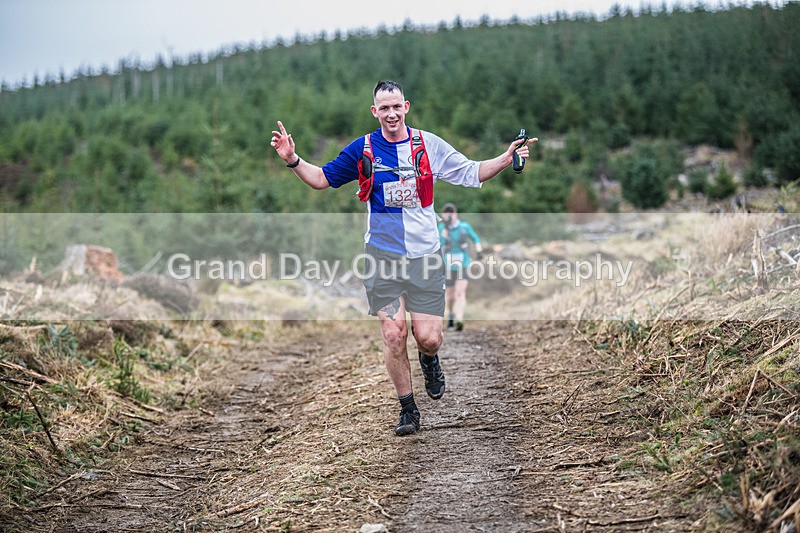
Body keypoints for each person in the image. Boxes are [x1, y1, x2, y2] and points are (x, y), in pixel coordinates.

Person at [270, 80, 537, 436]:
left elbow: (471, 171)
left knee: (427, 336)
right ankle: (408, 409)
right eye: (384, 108)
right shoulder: (362, 149)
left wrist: (506, 158)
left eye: (397, 106)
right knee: (393, 333)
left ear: (406, 107)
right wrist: (293, 160)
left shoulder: (427, 144)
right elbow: (321, 179)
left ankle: (429, 359)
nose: (391, 113)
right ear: (374, 111)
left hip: (425, 255)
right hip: (382, 256)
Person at [438, 203, 482, 332]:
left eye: (451, 212)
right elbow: (437, 244)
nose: (449, 214)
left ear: (456, 214)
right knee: (449, 295)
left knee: (460, 292)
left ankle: (459, 319)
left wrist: (479, 251)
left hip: (463, 263)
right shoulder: (441, 228)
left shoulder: (464, 226)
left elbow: (475, 238)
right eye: (446, 212)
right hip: (447, 265)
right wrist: (444, 235)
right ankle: (450, 315)